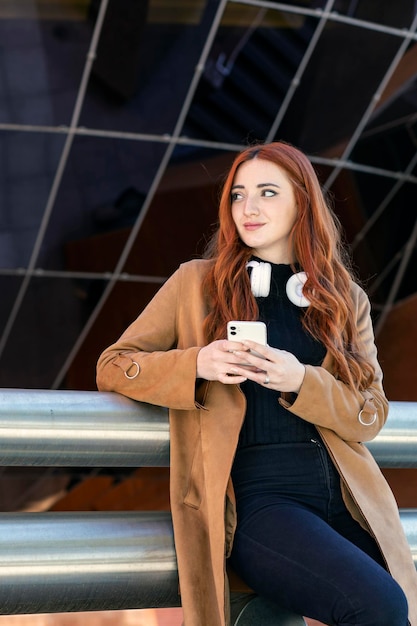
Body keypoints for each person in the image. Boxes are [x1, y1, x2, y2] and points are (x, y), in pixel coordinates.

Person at [96, 141, 417, 626]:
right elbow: (113, 365)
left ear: (301, 202)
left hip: (348, 498)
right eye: (238, 195)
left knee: (399, 612)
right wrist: (196, 363)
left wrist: (299, 379)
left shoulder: (342, 297)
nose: (248, 207)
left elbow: (369, 413)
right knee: (381, 607)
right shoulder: (196, 284)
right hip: (262, 502)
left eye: (267, 192)